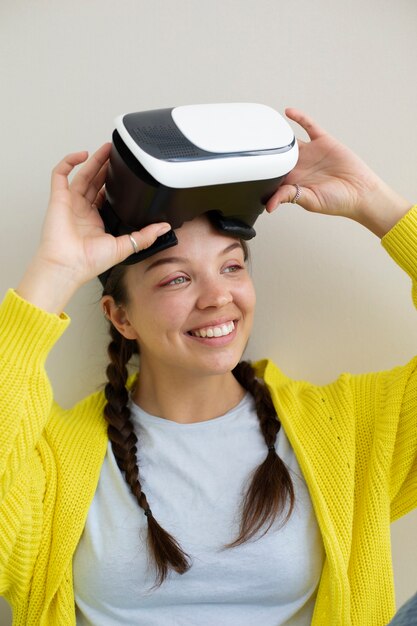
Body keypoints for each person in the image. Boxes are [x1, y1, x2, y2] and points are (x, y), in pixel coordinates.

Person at [0, 108, 416, 626]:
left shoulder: (348, 429)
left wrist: (375, 203)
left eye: (231, 266)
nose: (218, 297)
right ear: (120, 316)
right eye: (177, 279)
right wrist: (54, 274)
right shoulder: (58, 459)